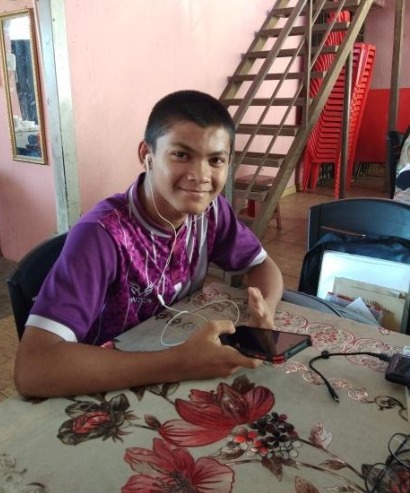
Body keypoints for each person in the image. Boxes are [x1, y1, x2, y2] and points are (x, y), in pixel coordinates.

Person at [14, 90, 284, 398]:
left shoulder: (211, 212)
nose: (201, 175)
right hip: (101, 383)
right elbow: (33, 369)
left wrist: (265, 311)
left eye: (215, 160)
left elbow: (262, 265)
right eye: (181, 155)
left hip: (171, 362)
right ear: (147, 155)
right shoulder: (101, 235)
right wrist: (180, 363)